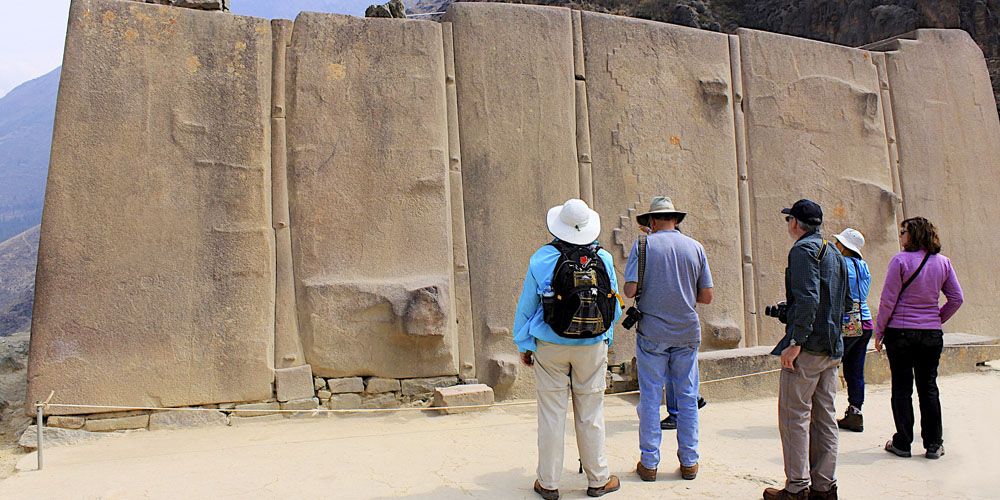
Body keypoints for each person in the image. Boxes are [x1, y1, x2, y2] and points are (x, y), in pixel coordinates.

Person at [513, 198, 622, 499]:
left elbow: (527, 307)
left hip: (550, 345)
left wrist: (524, 344)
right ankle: (598, 479)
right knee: (590, 412)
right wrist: (605, 338)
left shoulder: (541, 259)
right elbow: (613, 305)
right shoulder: (605, 259)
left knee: (551, 414)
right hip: (592, 346)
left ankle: (548, 483)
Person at [623, 196, 713, 482]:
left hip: (652, 332)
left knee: (650, 397)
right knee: (686, 396)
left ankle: (649, 463)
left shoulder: (643, 246)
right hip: (687, 331)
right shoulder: (695, 247)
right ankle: (689, 462)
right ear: (676, 219)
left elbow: (629, 290)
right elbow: (707, 296)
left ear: (651, 221)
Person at [764, 199, 847, 500]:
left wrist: (795, 342)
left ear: (796, 223)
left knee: (794, 416)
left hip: (808, 348)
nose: (788, 225)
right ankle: (825, 487)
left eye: (789, 220)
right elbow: (843, 302)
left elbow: (810, 298)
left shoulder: (802, 250)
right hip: (831, 347)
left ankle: (797, 487)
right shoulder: (834, 253)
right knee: (825, 418)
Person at [876, 217, 963, 460]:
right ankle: (934, 445)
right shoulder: (944, 263)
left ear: (913, 235)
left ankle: (903, 443)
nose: (900, 236)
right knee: (929, 388)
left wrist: (879, 331)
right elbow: (956, 298)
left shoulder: (899, 261)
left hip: (900, 333)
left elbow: (888, 300)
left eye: (903, 232)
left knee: (902, 388)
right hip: (931, 335)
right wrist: (936, 319)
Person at [831, 228, 873, 432]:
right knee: (855, 369)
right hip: (865, 320)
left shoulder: (839, 264)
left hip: (847, 320)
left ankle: (823, 412)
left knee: (829, 365)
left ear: (844, 247)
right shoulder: (863, 266)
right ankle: (855, 411)